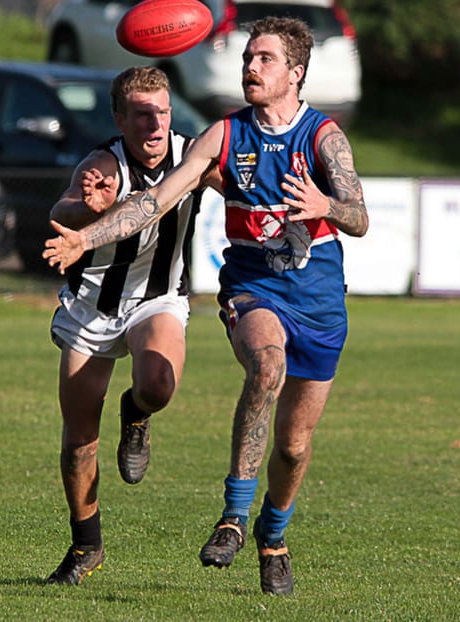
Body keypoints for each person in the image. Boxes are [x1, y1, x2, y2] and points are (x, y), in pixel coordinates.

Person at [44, 16, 369, 596]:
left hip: (319, 299)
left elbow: (359, 218)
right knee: (265, 366)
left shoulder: (324, 138)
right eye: (248, 57)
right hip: (254, 289)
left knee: (294, 448)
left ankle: (273, 536)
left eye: (264, 59)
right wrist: (84, 236)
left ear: (296, 73)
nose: (250, 66)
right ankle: (232, 519)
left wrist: (326, 202)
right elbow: (153, 200)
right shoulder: (222, 136)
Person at [41, 66, 217, 586]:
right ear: (120, 118)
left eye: (162, 111)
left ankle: (136, 412)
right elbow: (62, 207)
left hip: (158, 298)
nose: (155, 123)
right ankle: (85, 546)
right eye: (142, 114)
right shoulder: (103, 163)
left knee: (157, 385)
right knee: (79, 441)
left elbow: (238, 186)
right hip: (94, 304)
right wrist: (85, 207)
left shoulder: (194, 154)